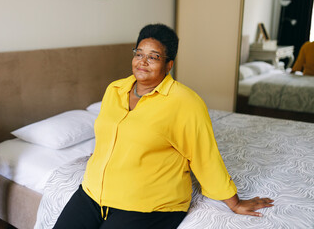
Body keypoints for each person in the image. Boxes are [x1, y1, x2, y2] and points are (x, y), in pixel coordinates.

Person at [53, 23, 274, 229]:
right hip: (92, 193)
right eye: (139, 54)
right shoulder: (115, 89)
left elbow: (205, 157)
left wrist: (234, 203)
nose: (143, 62)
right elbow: (110, 132)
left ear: (169, 65)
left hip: (148, 205)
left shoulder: (185, 102)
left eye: (154, 57)